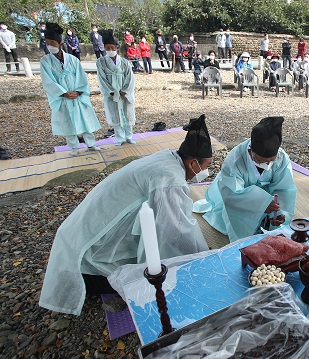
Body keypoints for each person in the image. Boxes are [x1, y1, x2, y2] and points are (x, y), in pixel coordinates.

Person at [39, 115, 213, 315]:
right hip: (84, 260)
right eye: (206, 167)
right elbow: (177, 229)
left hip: (73, 234)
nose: (205, 172)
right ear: (192, 163)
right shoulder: (169, 179)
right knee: (147, 277)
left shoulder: (168, 156)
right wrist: (203, 255)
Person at [200, 117, 297, 242]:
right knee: (244, 237)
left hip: (268, 201)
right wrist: (260, 205)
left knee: (277, 229)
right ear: (250, 151)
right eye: (262, 161)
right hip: (242, 202)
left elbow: (285, 188)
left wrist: (280, 212)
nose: (267, 165)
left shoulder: (281, 157)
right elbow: (232, 193)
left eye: (271, 161)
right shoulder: (235, 160)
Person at [40, 23, 102, 156]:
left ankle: (90, 144)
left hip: (76, 95)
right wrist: (63, 93)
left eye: (53, 43)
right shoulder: (45, 61)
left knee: (85, 119)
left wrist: (79, 91)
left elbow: (81, 77)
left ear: (60, 44)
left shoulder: (72, 59)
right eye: (47, 43)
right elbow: (48, 81)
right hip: (62, 97)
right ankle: (73, 147)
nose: (50, 45)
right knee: (66, 122)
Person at [96, 30, 137, 146]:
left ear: (116, 48)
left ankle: (129, 136)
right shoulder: (101, 62)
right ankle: (120, 138)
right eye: (107, 48)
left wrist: (124, 91)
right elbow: (102, 79)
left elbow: (130, 78)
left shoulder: (124, 62)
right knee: (115, 116)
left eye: (112, 48)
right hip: (111, 93)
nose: (110, 50)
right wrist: (112, 92)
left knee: (128, 114)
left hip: (125, 93)